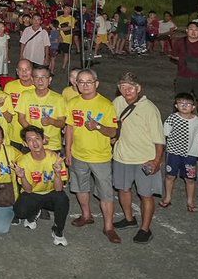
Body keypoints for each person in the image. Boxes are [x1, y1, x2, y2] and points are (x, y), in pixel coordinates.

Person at [64, 69, 120, 242]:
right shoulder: (73, 103)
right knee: (81, 187)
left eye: (89, 81)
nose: (85, 85)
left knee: (105, 193)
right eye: (81, 82)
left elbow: (112, 132)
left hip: (100, 157)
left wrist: (97, 126)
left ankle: (109, 227)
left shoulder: (106, 105)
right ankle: (86, 215)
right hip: (78, 154)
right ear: (76, 84)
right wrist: (68, 152)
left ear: (96, 83)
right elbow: (69, 129)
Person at [111, 72, 165, 244]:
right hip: (122, 156)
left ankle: (145, 228)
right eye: (123, 87)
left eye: (131, 87)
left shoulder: (149, 108)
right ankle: (129, 218)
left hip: (144, 158)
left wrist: (157, 160)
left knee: (145, 195)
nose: (127, 90)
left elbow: (159, 139)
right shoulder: (117, 102)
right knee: (123, 189)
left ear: (138, 89)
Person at [12, 124, 71, 246]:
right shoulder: (23, 161)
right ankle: (34, 212)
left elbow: (58, 189)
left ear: (44, 140)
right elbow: (28, 190)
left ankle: (58, 230)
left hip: (50, 193)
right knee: (19, 212)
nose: (34, 143)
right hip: (33, 193)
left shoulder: (55, 158)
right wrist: (22, 176)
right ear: (25, 144)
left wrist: (57, 173)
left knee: (62, 199)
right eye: (30, 140)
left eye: (37, 138)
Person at [161, 93, 198, 212]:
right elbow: (163, 136)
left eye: (188, 104)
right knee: (170, 176)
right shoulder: (172, 118)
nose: (184, 106)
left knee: (190, 179)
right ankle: (167, 197)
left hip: (190, 155)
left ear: (193, 107)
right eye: (181, 103)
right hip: (173, 153)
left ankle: (190, 201)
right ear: (176, 105)